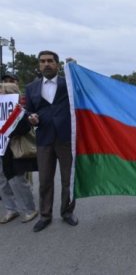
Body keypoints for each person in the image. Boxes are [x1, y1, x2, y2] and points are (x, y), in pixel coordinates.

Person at [25, 50, 78, 232]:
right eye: (42, 61)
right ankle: (45, 215)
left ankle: (67, 212)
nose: (46, 64)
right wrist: (30, 117)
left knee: (67, 179)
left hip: (65, 138)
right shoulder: (31, 88)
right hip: (44, 139)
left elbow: (82, 94)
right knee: (45, 180)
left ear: (57, 64)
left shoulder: (68, 85)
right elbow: (28, 111)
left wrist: (75, 69)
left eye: (50, 61)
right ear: (39, 65)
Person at [0, 83, 38, 224]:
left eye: (1, 92)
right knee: (2, 180)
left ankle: (30, 209)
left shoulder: (21, 111)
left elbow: (24, 128)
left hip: (13, 149)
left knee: (17, 180)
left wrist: (8, 128)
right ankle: (11, 209)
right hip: (1, 148)